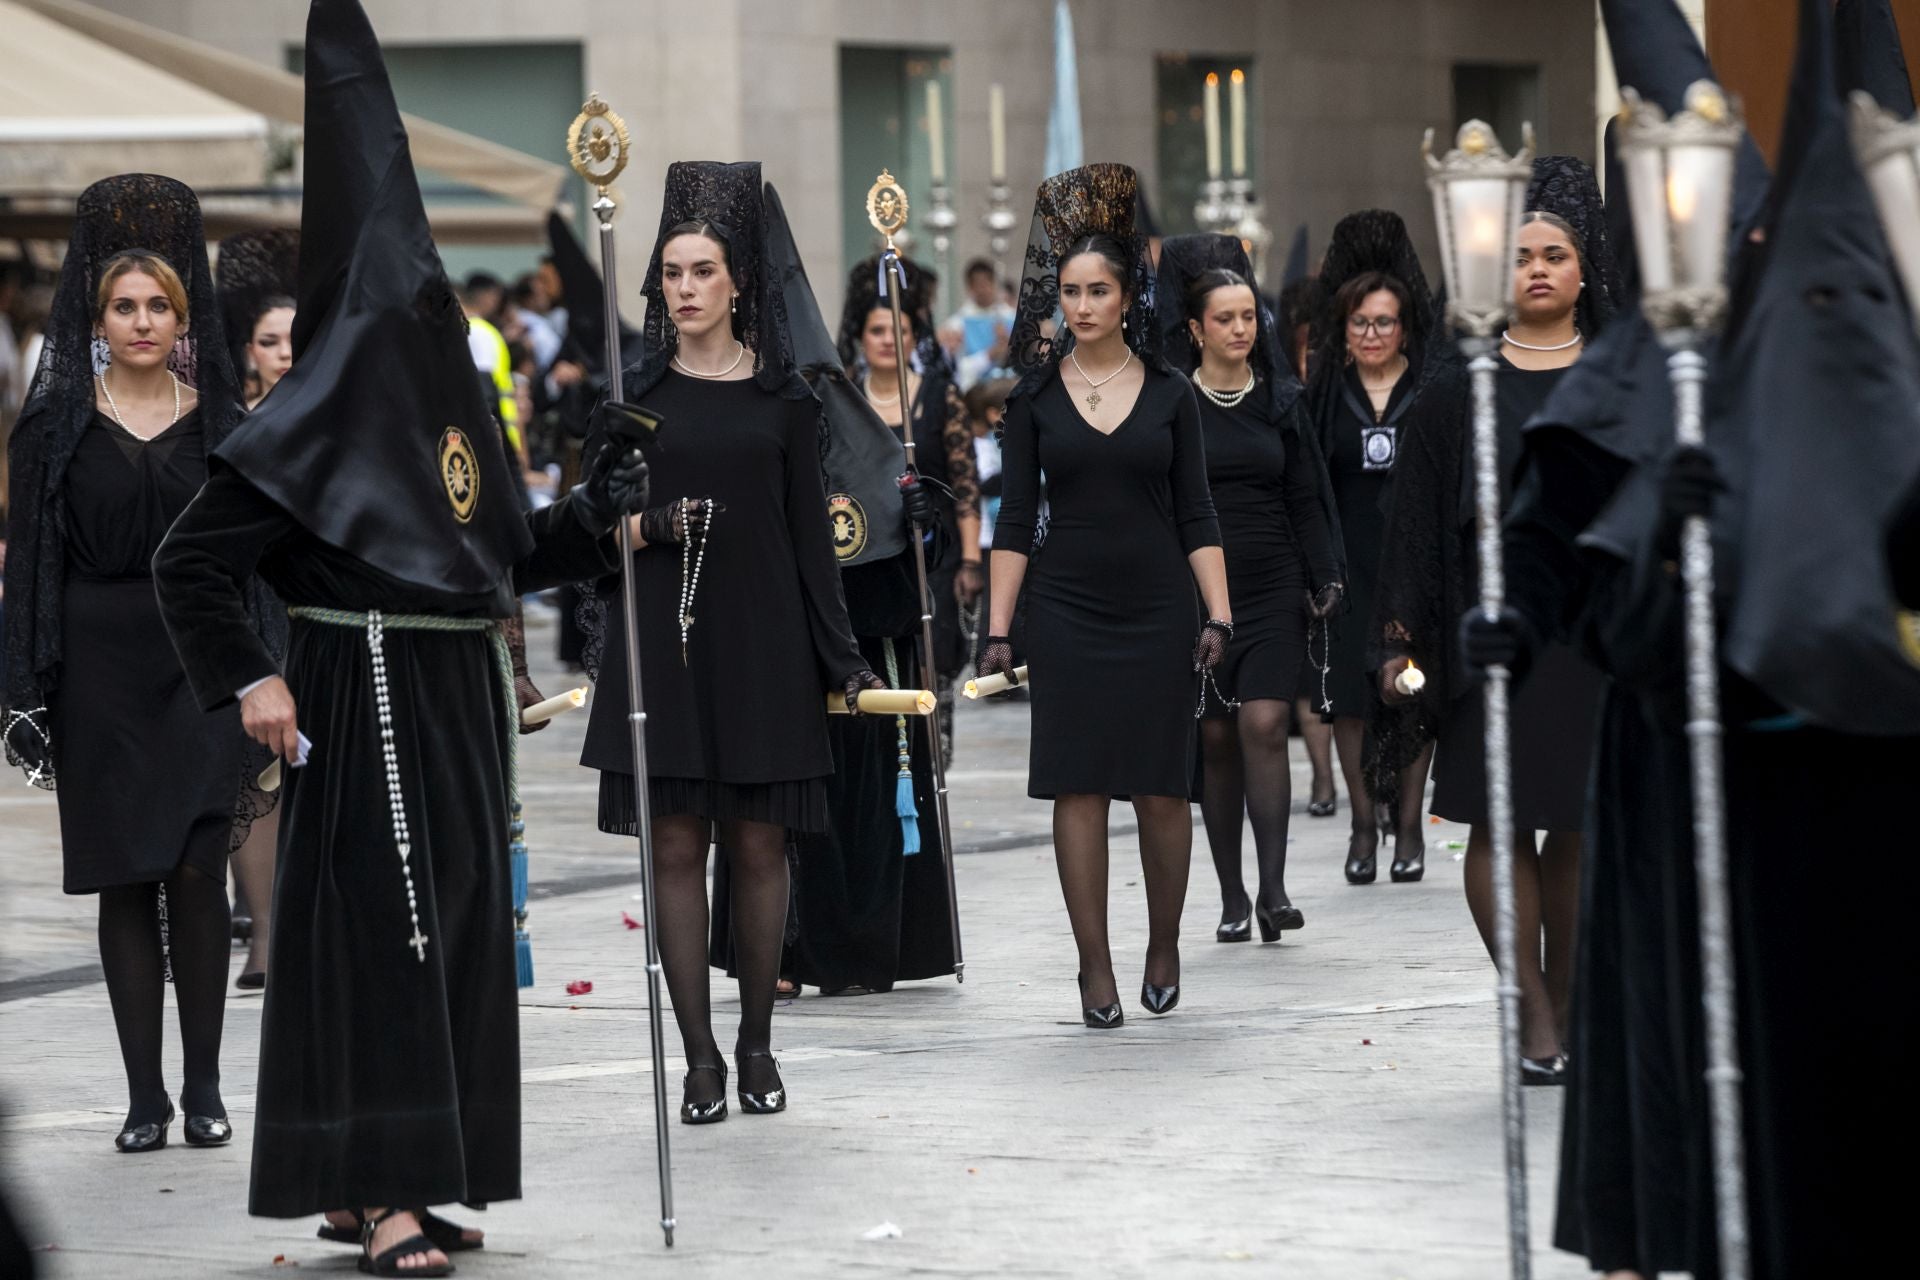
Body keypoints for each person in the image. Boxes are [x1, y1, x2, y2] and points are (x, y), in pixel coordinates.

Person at [151, 5, 647, 1272]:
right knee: (381, 934)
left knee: (461, 927)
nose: (424, 318)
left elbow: (509, 554)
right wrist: (251, 674)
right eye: (403, 299)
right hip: (355, 681)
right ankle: (380, 1197)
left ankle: (411, 1173)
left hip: (460, 704)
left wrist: (602, 502)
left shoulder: (458, 421)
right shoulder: (296, 438)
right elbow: (191, 566)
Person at [578, 160, 881, 1124]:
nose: (686, 289)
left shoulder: (787, 404)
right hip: (663, 647)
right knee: (675, 846)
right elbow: (590, 530)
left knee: (759, 848)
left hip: (763, 645)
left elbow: (810, 550)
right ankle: (698, 1057)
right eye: (672, 273)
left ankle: (755, 1044)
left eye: (703, 271)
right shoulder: (633, 394)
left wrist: (844, 663)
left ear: (737, 280)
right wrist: (648, 523)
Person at [3, 175, 266, 1155]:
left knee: (199, 870)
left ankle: (203, 1084)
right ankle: (143, 1093)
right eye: (125, 304)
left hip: (200, 661)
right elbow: (29, 564)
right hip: (100, 670)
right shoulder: (54, 432)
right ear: (97, 318)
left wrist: (262, 669)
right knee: (127, 878)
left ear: (182, 315)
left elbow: (256, 564)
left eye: (160, 304)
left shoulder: (226, 428)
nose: (143, 319)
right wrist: (27, 687)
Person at [1374, 158, 1619, 1083]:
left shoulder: (1621, 378)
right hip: (1492, 636)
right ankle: (1528, 1004)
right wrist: (1400, 643)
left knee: (1582, 819)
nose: (1541, 271)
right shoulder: (1456, 391)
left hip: (1594, 631)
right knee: (1502, 822)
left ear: (1585, 267)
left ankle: (1565, 990)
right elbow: (1413, 528)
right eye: (1522, 258)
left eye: (1557, 254)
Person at [978, 163, 1231, 1027]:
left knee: (1164, 788)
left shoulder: (1171, 397)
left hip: (1161, 606)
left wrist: (1220, 613)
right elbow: (1013, 521)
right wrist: (999, 630)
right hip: (1068, 611)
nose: (1081, 306)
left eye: (1098, 291)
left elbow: (1198, 513)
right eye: (1070, 292)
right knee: (1077, 786)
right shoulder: (1035, 401)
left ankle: (1164, 941)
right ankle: (1095, 965)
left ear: (1128, 299)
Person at [709, 182, 957, 997]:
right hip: (776, 646)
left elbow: (908, 543)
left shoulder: (869, 424)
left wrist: (924, 513)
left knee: (860, 814)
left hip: (867, 649)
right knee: (770, 817)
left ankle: (854, 951)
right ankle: (774, 952)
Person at [1157, 234, 1344, 943]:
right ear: (1196, 328)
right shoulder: (1173, 404)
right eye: (1226, 318)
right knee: (1214, 740)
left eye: (1249, 317)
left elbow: (1306, 499)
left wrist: (1325, 574)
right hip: (1197, 592)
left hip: (1271, 584)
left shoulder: (1281, 402)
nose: (1241, 329)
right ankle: (1231, 894)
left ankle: (1273, 890)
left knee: (1265, 724)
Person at [1307, 211, 1460, 883]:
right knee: (1348, 697)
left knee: (1409, 690)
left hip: (1411, 561)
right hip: (1347, 561)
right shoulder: (1323, 396)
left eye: (1384, 322)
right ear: (1344, 329)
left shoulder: (1427, 393)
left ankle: (1409, 828)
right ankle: (1363, 825)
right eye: (1360, 323)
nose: (1372, 334)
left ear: (1406, 327)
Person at [840, 253, 983, 764]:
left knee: (931, 669)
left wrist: (969, 560)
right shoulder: (844, 399)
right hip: (864, 562)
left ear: (911, 338)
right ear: (860, 336)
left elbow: (964, 484)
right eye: (876, 330)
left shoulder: (941, 397)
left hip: (932, 559)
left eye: (896, 330)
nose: (886, 339)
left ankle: (930, 766)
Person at [939, 256, 1016, 390]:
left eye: (987, 283)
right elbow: (957, 369)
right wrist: (989, 355)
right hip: (975, 393)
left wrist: (1012, 343)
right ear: (969, 287)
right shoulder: (957, 323)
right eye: (978, 285)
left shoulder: (1011, 316)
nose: (984, 290)